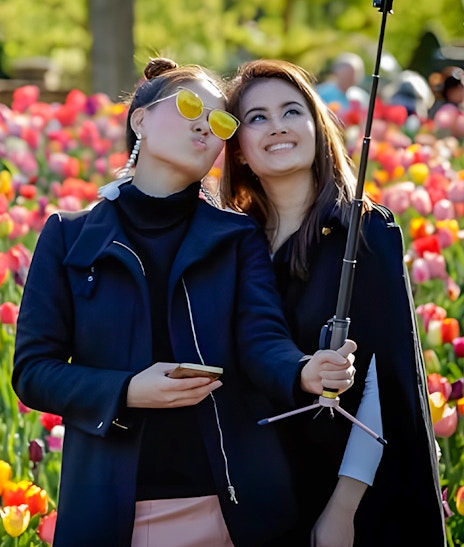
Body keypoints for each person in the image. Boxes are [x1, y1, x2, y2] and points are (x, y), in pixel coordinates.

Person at [12, 57, 357, 547]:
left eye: (220, 121)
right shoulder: (69, 238)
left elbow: (261, 339)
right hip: (109, 508)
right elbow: (33, 371)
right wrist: (128, 389)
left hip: (230, 505)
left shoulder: (237, 236)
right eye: (190, 105)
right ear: (140, 120)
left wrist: (302, 371)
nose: (205, 124)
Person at [220, 59, 446, 547]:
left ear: (317, 127)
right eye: (256, 117)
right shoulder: (234, 243)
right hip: (260, 490)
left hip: (352, 493)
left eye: (291, 111)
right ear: (238, 150)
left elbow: (383, 382)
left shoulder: (363, 231)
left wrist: (343, 509)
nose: (276, 125)